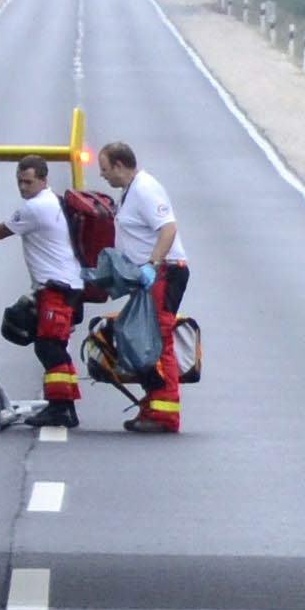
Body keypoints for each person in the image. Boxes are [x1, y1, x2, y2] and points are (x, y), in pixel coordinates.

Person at [0, 155, 87, 427]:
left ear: (43, 180)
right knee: (52, 346)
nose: (23, 187)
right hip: (66, 285)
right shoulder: (52, 201)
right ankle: (65, 407)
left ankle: (60, 408)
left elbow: (0, 231)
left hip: (57, 287)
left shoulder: (35, 207)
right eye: (19, 182)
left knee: (49, 347)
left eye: (28, 182)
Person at [97, 138, 182, 434]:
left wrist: (152, 264)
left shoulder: (145, 189)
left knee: (157, 340)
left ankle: (166, 413)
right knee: (143, 339)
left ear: (120, 165)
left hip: (165, 272)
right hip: (151, 276)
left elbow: (168, 228)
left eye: (105, 169)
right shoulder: (129, 192)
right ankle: (153, 404)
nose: (103, 175)